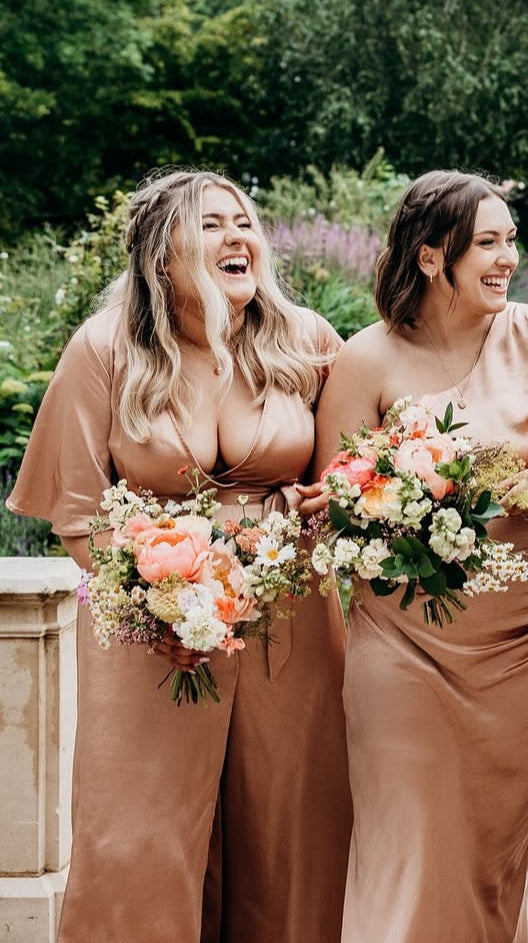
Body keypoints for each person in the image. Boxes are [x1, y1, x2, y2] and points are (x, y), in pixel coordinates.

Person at [6, 169, 352, 942]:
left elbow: (349, 478)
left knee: (289, 829)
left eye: (246, 222)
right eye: (212, 224)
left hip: (288, 616)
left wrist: (322, 506)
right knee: (137, 831)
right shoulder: (105, 349)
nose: (239, 237)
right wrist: (154, 600)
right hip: (151, 627)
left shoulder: (309, 341)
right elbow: (77, 512)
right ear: (162, 254)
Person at [312, 170, 528, 943]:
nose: (507, 258)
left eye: (511, 240)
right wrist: (404, 510)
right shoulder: (367, 360)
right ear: (432, 257)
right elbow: (333, 510)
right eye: (487, 243)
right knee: (410, 842)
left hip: (520, 646)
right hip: (401, 643)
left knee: (493, 855)